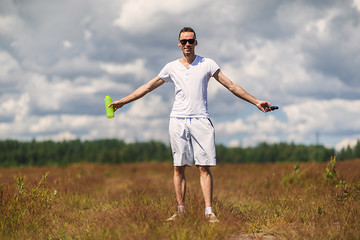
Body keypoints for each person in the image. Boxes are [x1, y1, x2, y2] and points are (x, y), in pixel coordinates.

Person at [109, 27, 274, 223]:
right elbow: (147, 87)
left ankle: (209, 212)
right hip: (177, 120)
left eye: (191, 41)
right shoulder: (171, 67)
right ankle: (180, 211)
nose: (187, 44)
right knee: (179, 167)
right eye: (184, 41)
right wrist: (123, 101)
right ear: (179, 44)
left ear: (196, 43)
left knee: (204, 167)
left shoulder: (208, 64)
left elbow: (231, 85)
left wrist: (255, 101)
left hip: (201, 120)